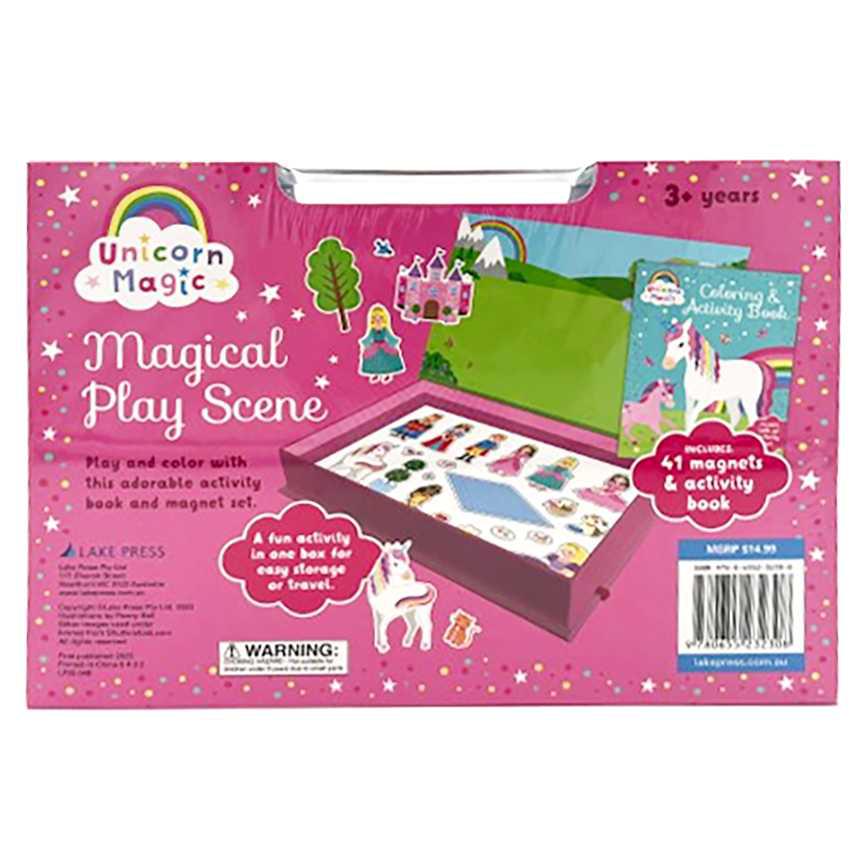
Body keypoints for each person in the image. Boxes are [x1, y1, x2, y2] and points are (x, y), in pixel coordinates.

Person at [358, 304, 406, 384]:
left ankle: (387, 373)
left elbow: (389, 336)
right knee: (373, 359)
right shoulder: (372, 330)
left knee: (387, 359)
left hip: (384, 346)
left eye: (380, 318)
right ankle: (375, 373)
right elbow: (369, 337)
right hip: (374, 346)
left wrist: (394, 342)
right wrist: (365, 343)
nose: (378, 320)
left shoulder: (385, 329)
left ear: (384, 319)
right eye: (375, 318)